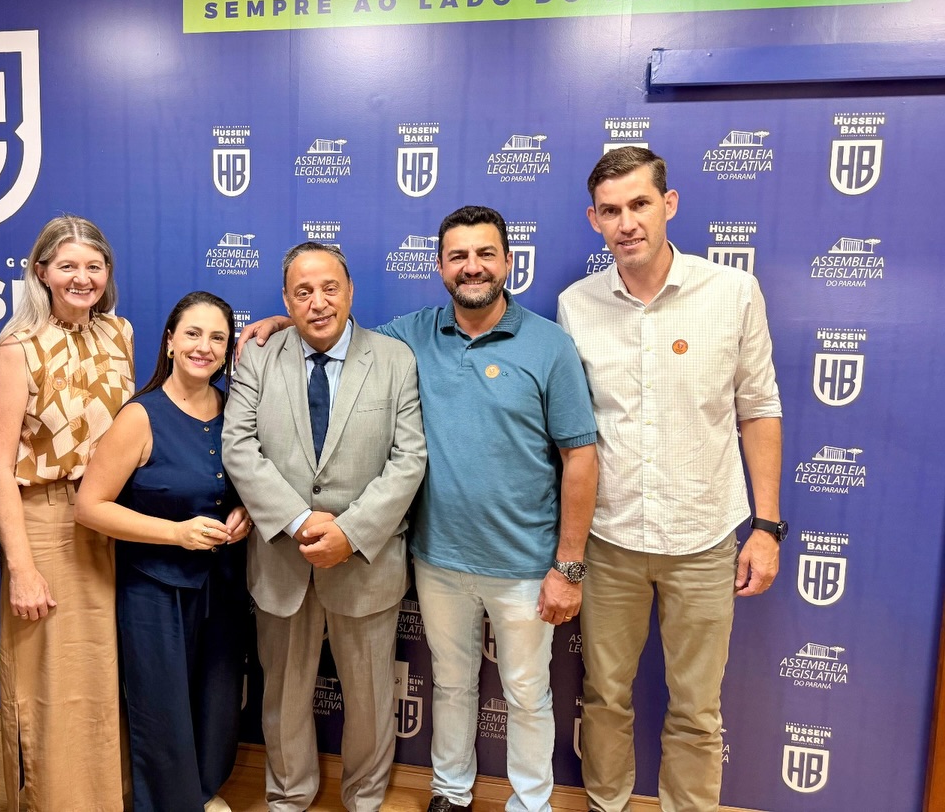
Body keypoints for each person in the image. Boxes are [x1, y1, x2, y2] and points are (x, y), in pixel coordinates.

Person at [239, 209, 599, 812]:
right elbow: (333, 331)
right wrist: (284, 323)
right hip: (438, 557)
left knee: (527, 692)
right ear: (440, 267)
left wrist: (569, 564)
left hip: (524, 561)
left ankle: (531, 802)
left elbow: (580, 457)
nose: (472, 267)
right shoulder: (413, 336)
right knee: (451, 684)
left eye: (485, 254)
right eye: (458, 256)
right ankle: (451, 792)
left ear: (509, 262)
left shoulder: (549, 345)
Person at [556, 146, 783, 812]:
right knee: (604, 697)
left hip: (705, 540)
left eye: (640, 204)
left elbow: (758, 409)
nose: (626, 223)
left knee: (697, 708)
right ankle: (606, 803)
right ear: (594, 220)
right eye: (610, 211)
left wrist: (766, 526)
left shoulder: (733, 293)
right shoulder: (576, 305)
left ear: (669, 204)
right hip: (610, 540)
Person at [223, 242, 427, 812]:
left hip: (365, 560)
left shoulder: (394, 359)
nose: (318, 302)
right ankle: (289, 795)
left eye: (329, 288)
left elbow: (408, 459)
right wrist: (297, 521)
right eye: (303, 292)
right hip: (282, 561)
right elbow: (238, 446)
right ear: (286, 300)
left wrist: (351, 532)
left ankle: (365, 797)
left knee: (370, 695)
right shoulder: (259, 357)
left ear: (351, 291)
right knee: (283, 694)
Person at [75, 291, 250, 812]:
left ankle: (202, 793)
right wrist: (175, 533)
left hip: (223, 580)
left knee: (218, 695)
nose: (204, 346)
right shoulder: (141, 416)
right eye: (192, 333)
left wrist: (246, 511)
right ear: (170, 341)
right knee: (162, 704)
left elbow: (249, 482)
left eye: (217, 337)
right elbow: (90, 507)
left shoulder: (236, 410)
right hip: (155, 587)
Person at [0, 215, 134, 811]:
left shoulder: (120, 333)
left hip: (114, 521)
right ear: (41, 271)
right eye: (67, 265)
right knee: (51, 678)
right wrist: (20, 568)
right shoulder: (15, 349)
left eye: (93, 266)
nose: (82, 278)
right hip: (45, 524)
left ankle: (110, 798)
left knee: (105, 673)